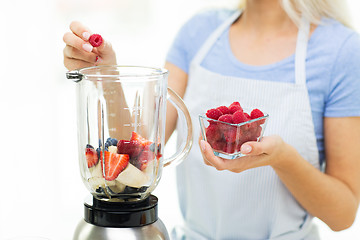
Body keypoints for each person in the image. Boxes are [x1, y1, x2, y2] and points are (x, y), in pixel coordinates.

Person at [63, 0, 360, 239]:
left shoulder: (341, 51)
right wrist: (107, 73)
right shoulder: (199, 32)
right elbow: (138, 153)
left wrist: (282, 159)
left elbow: (342, 215)